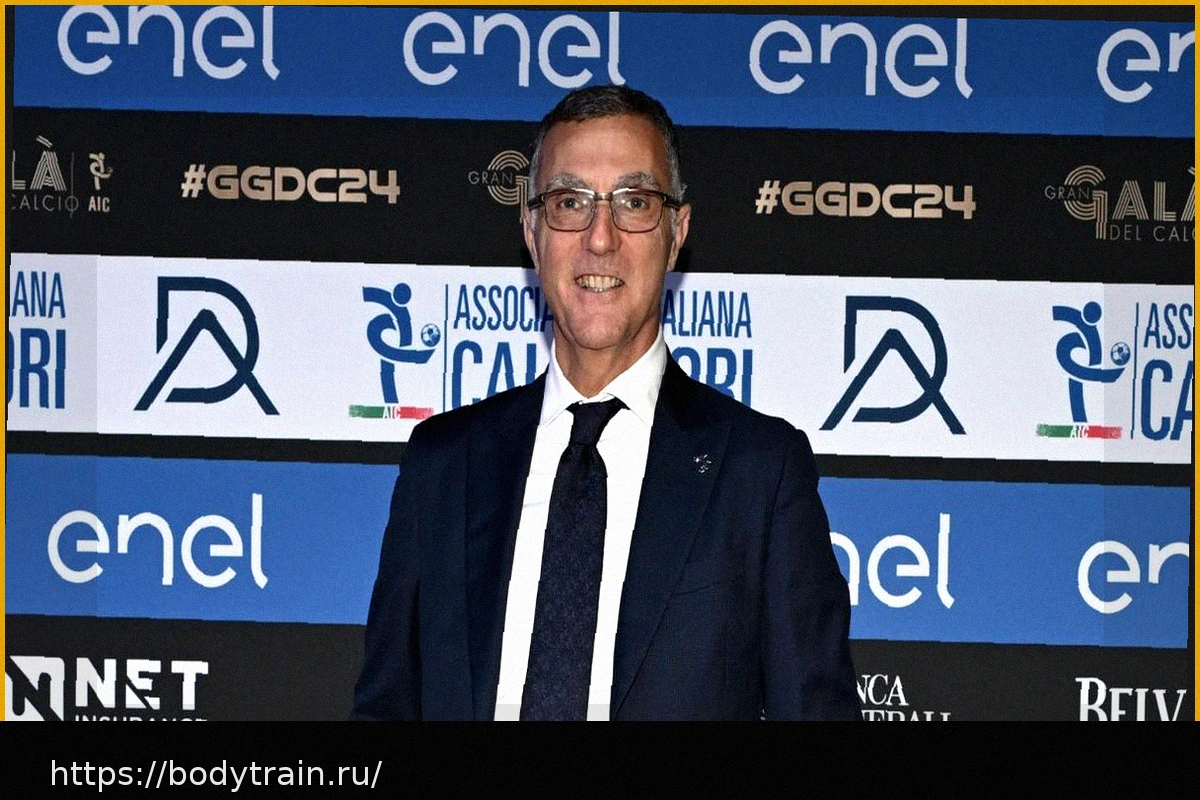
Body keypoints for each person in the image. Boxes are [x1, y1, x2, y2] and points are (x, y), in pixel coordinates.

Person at [352, 85, 859, 721]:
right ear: (532, 231)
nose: (600, 237)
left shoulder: (760, 471)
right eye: (570, 203)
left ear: (676, 233)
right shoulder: (442, 465)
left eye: (634, 203)